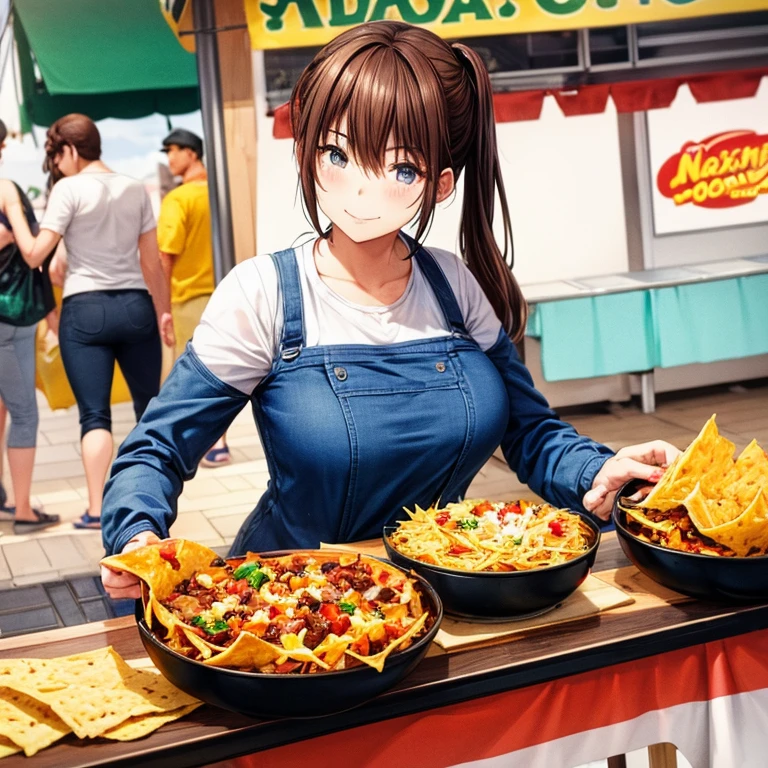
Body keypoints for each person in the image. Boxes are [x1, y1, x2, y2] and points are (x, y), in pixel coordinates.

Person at [101, 21, 680, 599]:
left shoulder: (454, 284)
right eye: (338, 154)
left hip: (442, 596)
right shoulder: (263, 293)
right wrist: (137, 533)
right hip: (289, 610)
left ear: (440, 184)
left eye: (401, 168)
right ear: (304, 152)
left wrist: (597, 471)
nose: (362, 188)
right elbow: (158, 446)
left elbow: (531, 433)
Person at [1, 113, 174, 532]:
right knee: (148, 411)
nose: (56, 166)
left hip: (86, 311)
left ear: (72, 151)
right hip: (136, 308)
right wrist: (163, 312)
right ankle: (153, 505)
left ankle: (98, 510)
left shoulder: (67, 190)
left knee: (94, 417)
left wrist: (16, 216)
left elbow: (36, 256)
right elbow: (151, 263)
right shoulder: (134, 188)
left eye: (57, 157)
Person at [0, 118, 61, 532]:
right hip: (10, 314)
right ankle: (23, 510)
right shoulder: (5, 187)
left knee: (2, 408)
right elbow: (30, 250)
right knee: (24, 414)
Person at [157, 128, 229, 467]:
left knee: (193, 375)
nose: (170, 157)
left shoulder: (178, 199)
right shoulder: (219, 193)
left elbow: (165, 256)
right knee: (223, 369)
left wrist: (163, 304)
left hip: (188, 297)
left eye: (174, 150)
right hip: (226, 291)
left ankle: (205, 445)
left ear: (193, 154)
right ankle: (220, 443)